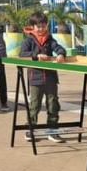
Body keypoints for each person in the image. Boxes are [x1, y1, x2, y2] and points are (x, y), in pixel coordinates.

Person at [19, 11, 67, 142]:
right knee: (34, 105)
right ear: (32, 27)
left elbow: (59, 48)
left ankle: (52, 131)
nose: (41, 29)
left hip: (51, 77)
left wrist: (61, 54)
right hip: (35, 78)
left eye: (43, 26)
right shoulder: (28, 40)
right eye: (38, 26)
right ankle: (30, 130)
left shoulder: (50, 39)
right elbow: (22, 54)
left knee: (53, 104)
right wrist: (36, 56)